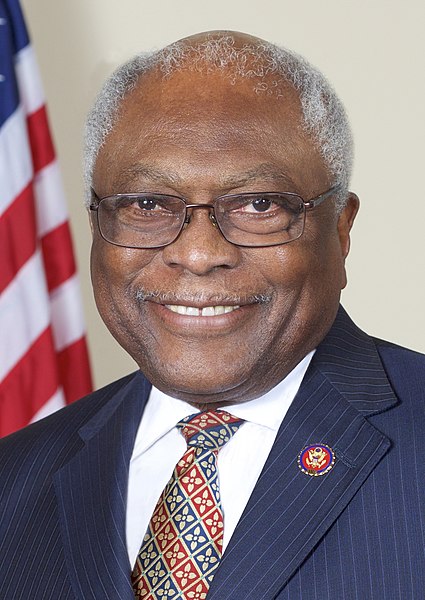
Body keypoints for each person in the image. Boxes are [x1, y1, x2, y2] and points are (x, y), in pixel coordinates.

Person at [0, 30, 424, 600]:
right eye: (146, 205)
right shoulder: (13, 481)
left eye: (258, 205)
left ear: (341, 230)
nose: (198, 255)